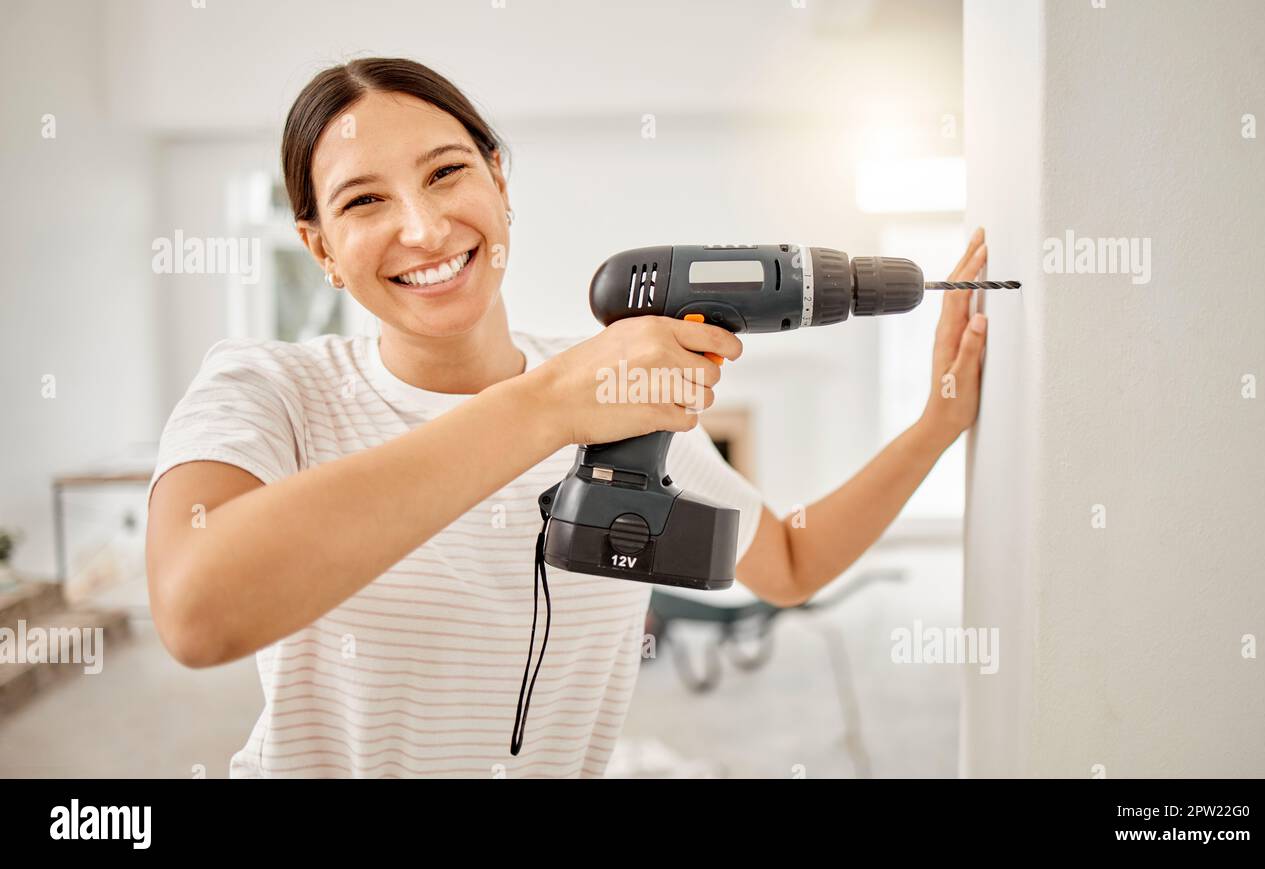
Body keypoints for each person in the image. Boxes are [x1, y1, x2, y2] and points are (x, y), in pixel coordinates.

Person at [145, 57, 991, 778]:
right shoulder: (267, 388)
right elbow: (196, 610)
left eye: (446, 171)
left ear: (499, 181)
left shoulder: (621, 397)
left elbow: (793, 562)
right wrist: (550, 404)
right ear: (321, 246)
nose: (424, 225)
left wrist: (937, 425)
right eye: (364, 201)